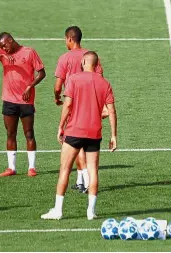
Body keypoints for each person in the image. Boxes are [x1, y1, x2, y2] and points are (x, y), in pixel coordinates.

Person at [41, 51, 117, 220]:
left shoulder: (74, 79)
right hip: (94, 133)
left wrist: (60, 126)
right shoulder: (105, 83)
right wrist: (114, 136)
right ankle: (91, 211)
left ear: (83, 61)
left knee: (65, 169)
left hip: (74, 130)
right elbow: (111, 111)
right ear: (97, 65)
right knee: (93, 171)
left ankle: (58, 210)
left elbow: (67, 105)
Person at [0, 32, 46, 177]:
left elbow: (42, 73)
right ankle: (11, 168)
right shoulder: (2, 53)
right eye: (1, 47)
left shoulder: (29, 52)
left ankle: (32, 167)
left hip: (26, 100)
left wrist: (30, 86)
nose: (4, 48)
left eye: (4, 45)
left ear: (10, 40)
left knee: (29, 133)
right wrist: (1, 56)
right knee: (10, 134)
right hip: (9, 100)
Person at [54, 26, 105, 193]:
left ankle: (84, 182)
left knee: (76, 143)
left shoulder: (64, 58)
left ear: (69, 39)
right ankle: (82, 180)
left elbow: (58, 85)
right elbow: (100, 80)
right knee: (87, 144)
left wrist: (57, 97)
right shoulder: (90, 56)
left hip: (74, 104)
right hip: (91, 104)